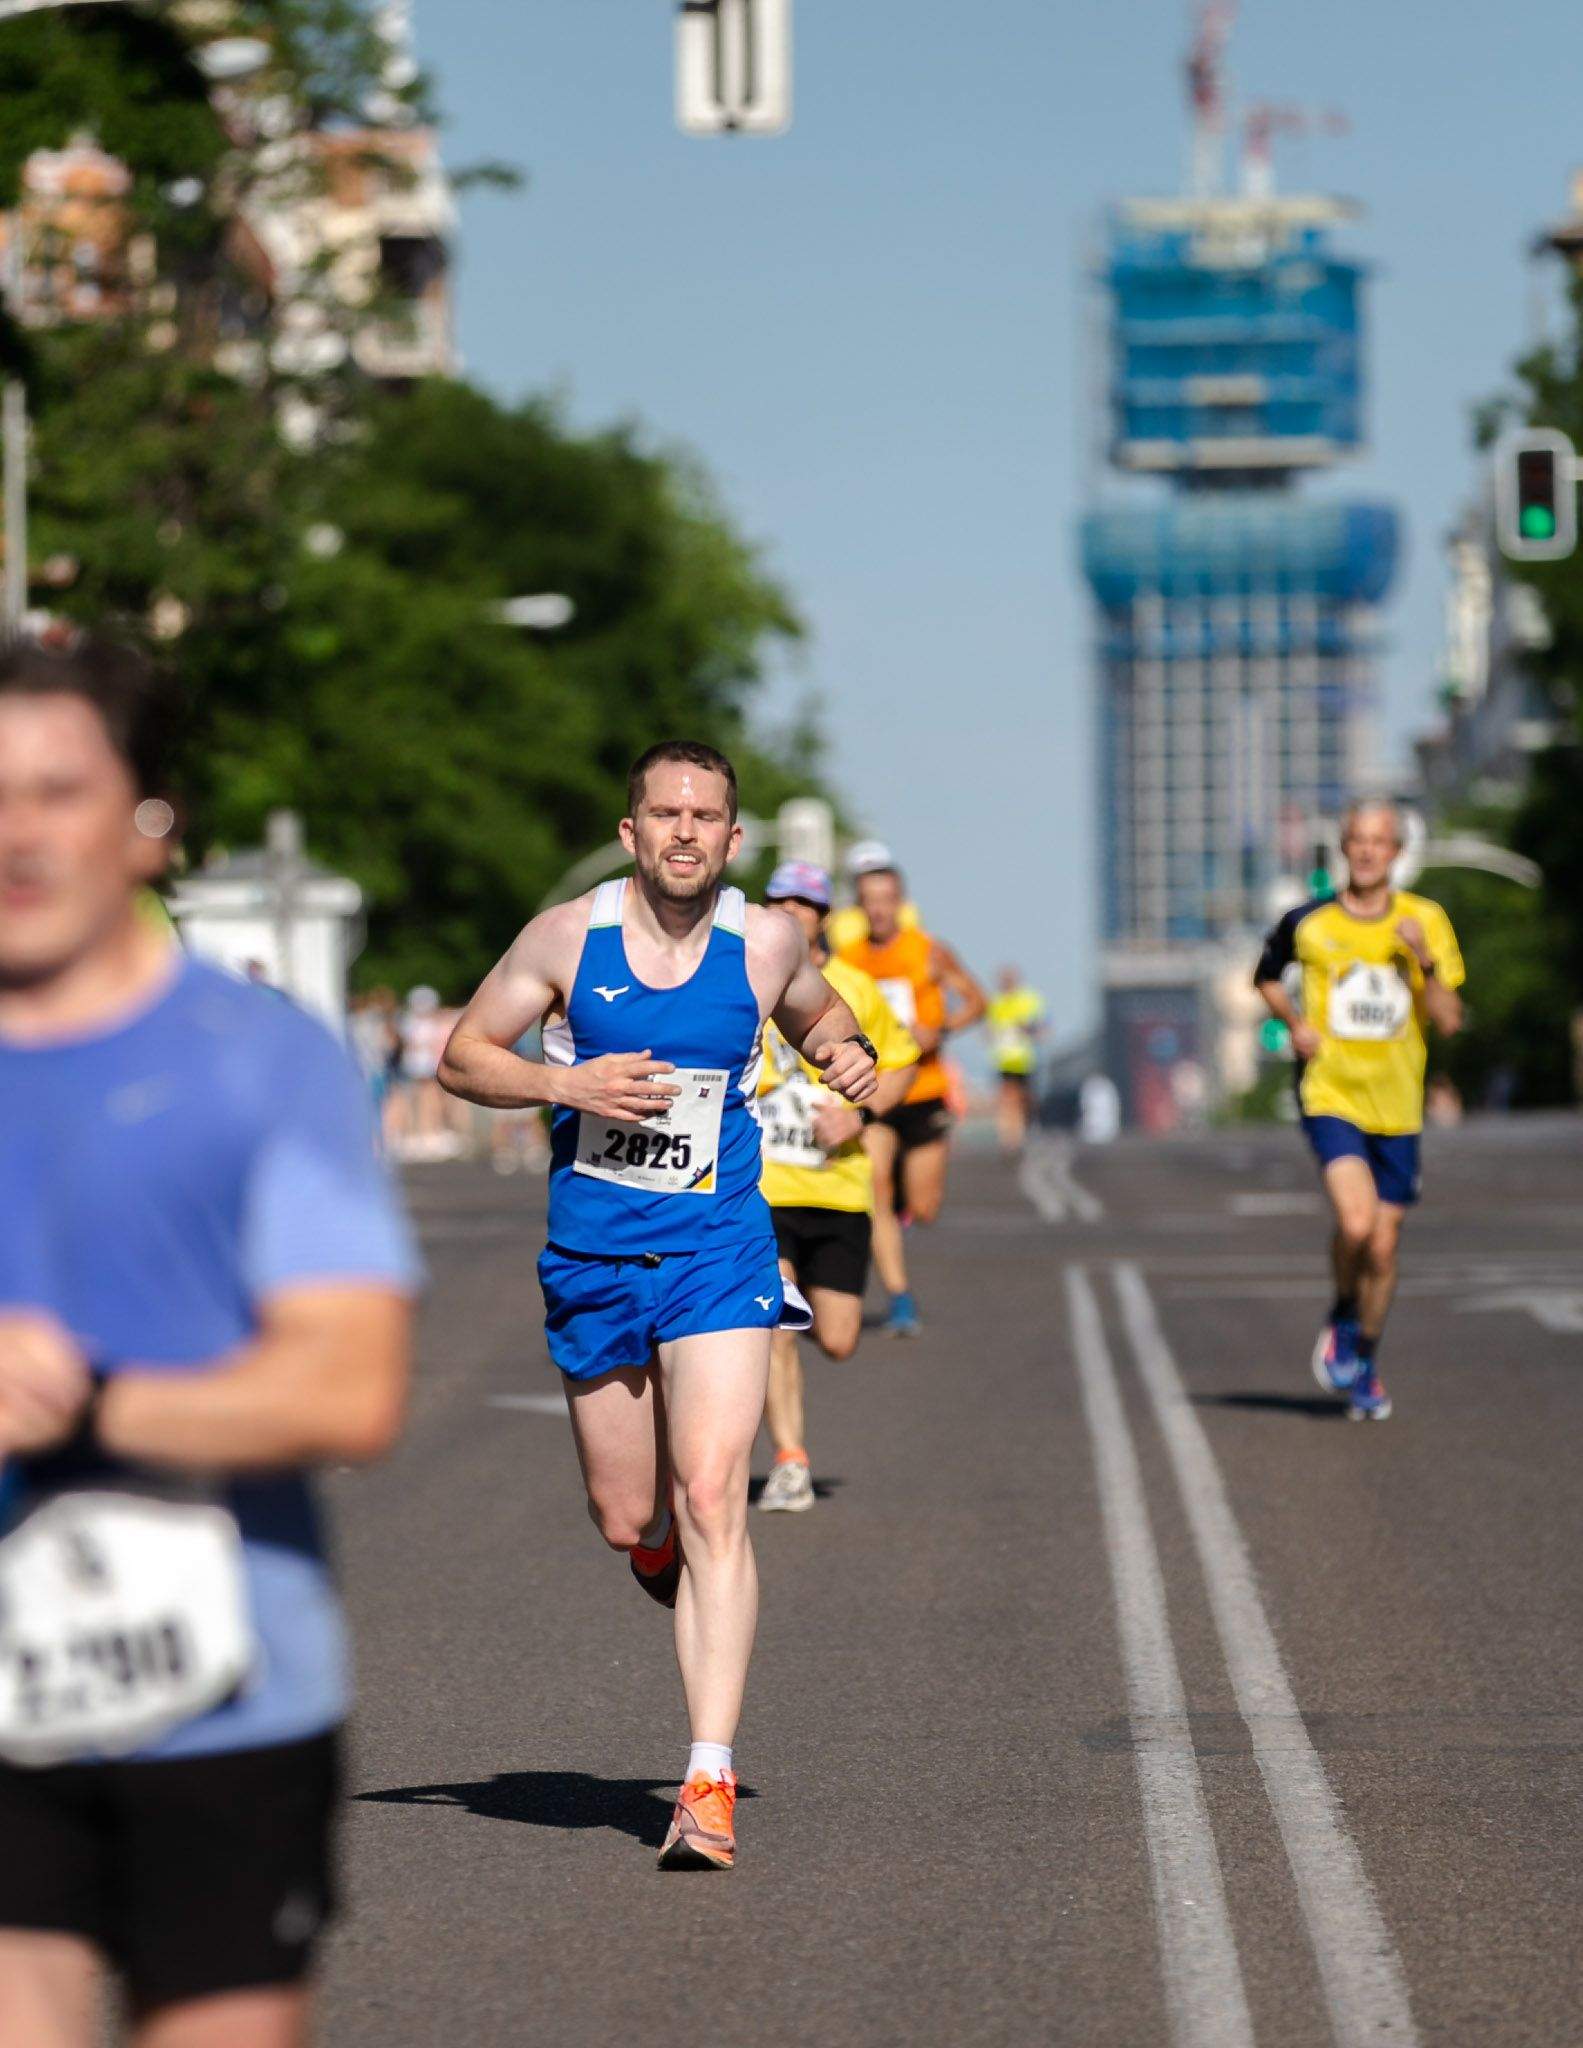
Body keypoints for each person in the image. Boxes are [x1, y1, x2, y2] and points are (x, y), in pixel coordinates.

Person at [0, 634, 418, 2048]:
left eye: (59, 792)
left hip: (223, 1695)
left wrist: (88, 1405)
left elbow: (350, 1384)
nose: (19, 833)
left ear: (147, 825)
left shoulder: (259, 1059)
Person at [438, 742, 877, 1871]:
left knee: (712, 1490)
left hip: (718, 1248)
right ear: (630, 831)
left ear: (733, 838)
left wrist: (847, 1058)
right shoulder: (562, 938)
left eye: (706, 815)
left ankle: (707, 1782)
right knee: (629, 1514)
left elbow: (821, 1016)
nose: (686, 831)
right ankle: (657, 1554)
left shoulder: (765, 941)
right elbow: (461, 1057)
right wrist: (561, 1080)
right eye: (666, 813)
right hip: (593, 1258)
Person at [1253, 800, 1464, 1421]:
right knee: (1356, 1224)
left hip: (1397, 1106)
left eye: (1380, 841)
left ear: (1397, 852)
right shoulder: (1309, 921)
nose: (1368, 851)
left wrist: (1423, 960)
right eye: (1358, 840)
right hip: (1331, 1093)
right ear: (1344, 848)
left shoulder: (1426, 919)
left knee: (1384, 1247)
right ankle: (1344, 1311)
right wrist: (1294, 1022)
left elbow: (1450, 1021)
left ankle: (1366, 1358)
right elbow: (1266, 975)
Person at [755, 861, 919, 1513]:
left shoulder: (853, 987)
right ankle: (789, 1461)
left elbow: (902, 1064)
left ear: (824, 915)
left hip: (837, 1187)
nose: (791, 910)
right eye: (780, 900)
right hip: (763, 1188)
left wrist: (861, 1116)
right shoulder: (743, 978)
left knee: (839, 1338)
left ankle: (798, 1341)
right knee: (773, 1326)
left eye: (804, 902)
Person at [837, 853, 985, 1337]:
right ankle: (900, 1297)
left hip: (925, 1090)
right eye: (870, 901)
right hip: (877, 1091)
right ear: (860, 906)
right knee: (874, 1188)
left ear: (901, 902)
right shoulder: (849, 959)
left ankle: (904, 1202)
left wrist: (940, 1030)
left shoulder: (928, 952)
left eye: (887, 900)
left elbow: (977, 1002)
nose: (879, 909)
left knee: (924, 1208)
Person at [985, 966, 1045, 1152]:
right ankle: (1010, 1136)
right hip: (1004, 1060)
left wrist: (1026, 1029)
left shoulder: (1028, 1000)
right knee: (1008, 1099)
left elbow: (1042, 1028)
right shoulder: (995, 1003)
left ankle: (1025, 1126)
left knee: (1025, 1099)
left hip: (1026, 1060)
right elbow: (988, 1031)